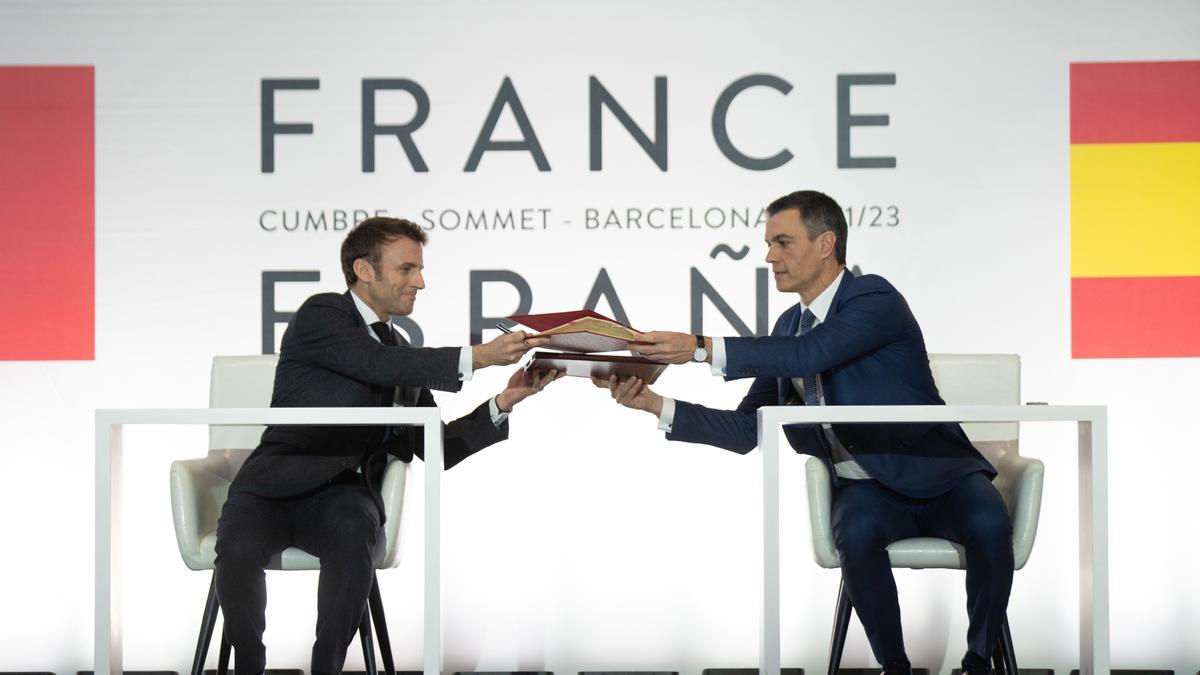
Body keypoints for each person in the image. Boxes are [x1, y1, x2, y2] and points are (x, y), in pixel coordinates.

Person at [593, 190, 1012, 675]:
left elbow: (811, 356)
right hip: (865, 490)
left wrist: (701, 348)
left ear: (825, 243)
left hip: (939, 474)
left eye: (783, 242)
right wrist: (653, 405)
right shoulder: (789, 326)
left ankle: (979, 659)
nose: (770, 256)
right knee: (855, 533)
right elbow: (748, 430)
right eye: (769, 243)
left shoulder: (873, 298)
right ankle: (895, 668)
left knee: (989, 523)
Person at [215, 216, 561, 675]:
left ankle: (328, 670)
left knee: (355, 528)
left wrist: (504, 401)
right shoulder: (322, 314)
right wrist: (478, 356)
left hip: (343, 494)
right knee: (237, 546)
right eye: (406, 269)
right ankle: (248, 668)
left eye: (419, 270)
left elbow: (438, 447)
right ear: (364, 270)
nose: (420, 281)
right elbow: (373, 362)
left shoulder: (398, 350)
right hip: (275, 482)